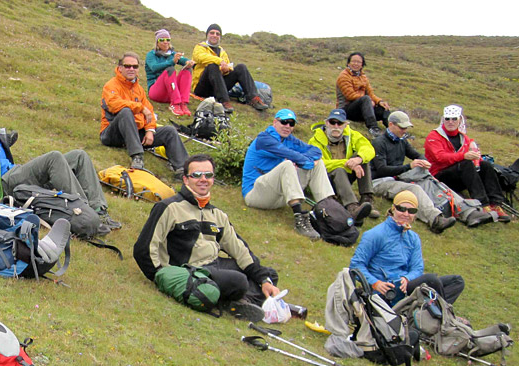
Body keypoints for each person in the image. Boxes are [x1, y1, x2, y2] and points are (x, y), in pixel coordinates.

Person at [134, 154, 282, 320]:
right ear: (185, 179)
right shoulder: (168, 208)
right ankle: (237, 299)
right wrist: (161, 277)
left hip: (215, 267)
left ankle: (237, 301)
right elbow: (143, 248)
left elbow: (240, 250)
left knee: (268, 274)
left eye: (208, 175)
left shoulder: (217, 215)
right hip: (190, 271)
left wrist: (264, 280)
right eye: (196, 175)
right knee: (239, 281)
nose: (203, 179)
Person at [0, 97, 121, 232]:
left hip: (16, 172)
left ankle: (99, 210)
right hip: (4, 183)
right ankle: (84, 212)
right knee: (53, 158)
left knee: (79, 156)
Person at [350, 189, 465, 305]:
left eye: (411, 211)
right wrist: (376, 283)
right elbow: (356, 265)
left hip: (405, 287)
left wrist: (407, 278)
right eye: (401, 209)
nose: (406, 214)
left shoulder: (413, 238)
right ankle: (439, 315)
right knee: (431, 280)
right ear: (393, 209)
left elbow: (417, 268)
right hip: (386, 291)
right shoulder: (375, 234)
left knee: (457, 281)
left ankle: (433, 312)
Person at [242, 109, 335, 240]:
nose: (287, 126)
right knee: (288, 164)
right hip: (256, 195)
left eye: (291, 124)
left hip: (279, 195)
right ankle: (300, 218)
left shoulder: (288, 139)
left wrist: (303, 160)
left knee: (318, 163)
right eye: (284, 122)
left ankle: (331, 210)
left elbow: (315, 151)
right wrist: (303, 162)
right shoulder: (264, 139)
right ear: (275, 122)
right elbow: (289, 154)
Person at [369, 110, 458, 233]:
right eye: (402, 127)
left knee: (426, 180)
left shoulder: (401, 140)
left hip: (395, 179)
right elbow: (382, 170)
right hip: (378, 182)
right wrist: (409, 166)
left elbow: (415, 154)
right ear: (391, 125)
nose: (404, 130)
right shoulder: (379, 142)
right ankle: (436, 220)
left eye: (406, 127)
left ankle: (458, 209)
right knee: (414, 189)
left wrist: (423, 161)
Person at [100, 53, 188, 174]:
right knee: (125, 111)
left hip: (135, 134)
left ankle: (184, 170)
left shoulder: (138, 89)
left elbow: (149, 111)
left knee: (169, 131)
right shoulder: (111, 85)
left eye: (135, 66)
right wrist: (140, 108)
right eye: (127, 66)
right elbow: (114, 104)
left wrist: (150, 131)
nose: (131, 69)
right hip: (112, 135)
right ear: (120, 68)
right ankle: (137, 156)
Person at [424, 104, 510, 222]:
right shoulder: (433, 136)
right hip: (439, 178)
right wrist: (464, 156)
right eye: (447, 119)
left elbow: (472, 158)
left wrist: (476, 158)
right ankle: (482, 204)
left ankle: (496, 203)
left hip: (459, 175)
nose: (450, 122)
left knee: (486, 165)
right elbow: (440, 157)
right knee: (466, 164)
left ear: (460, 120)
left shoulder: (464, 138)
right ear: (443, 120)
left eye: (454, 119)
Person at [307, 109, 378, 224]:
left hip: (345, 178)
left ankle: (367, 199)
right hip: (325, 180)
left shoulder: (352, 135)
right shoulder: (315, 141)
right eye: (332, 122)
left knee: (363, 159)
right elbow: (319, 163)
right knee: (338, 170)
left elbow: (368, 149)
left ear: (345, 125)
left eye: (339, 123)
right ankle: (352, 207)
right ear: (326, 123)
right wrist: (347, 163)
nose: (336, 126)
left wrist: (357, 159)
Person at [190, 24, 269, 113]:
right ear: (207, 35)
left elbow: (227, 65)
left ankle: (254, 99)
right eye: (212, 33)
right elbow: (200, 57)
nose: (215, 35)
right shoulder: (200, 47)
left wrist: (226, 70)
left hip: (217, 87)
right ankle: (224, 101)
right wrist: (219, 61)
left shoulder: (222, 51)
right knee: (212, 66)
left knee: (241, 67)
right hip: (202, 88)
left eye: (217, 34)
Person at [336, 52, 390, 138]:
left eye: (358, 62)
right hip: (346, 110)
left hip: (362, 109)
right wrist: (368, 101)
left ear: (362, 64)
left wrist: (379, 101)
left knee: (383, 108)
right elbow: (350, 95)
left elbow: (370, 93)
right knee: (366, 99)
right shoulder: (344, 76)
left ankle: (392, 129)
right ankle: (373, 128)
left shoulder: (363, 76)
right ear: (348, 63)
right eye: (353, 61)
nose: (356, 64)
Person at [144, 29, 194, 115]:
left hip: (170, 91)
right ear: (157, 42)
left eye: (168, 40)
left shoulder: (172, 54)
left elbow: (182, 60)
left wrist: (188, 62)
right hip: (156, 91)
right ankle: (175, 104)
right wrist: (172, 62)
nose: (165, 42)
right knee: (170, 69)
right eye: (162, 40)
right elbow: (154, 67)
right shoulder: (151, 55)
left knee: (187, 69)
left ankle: (183, 103)